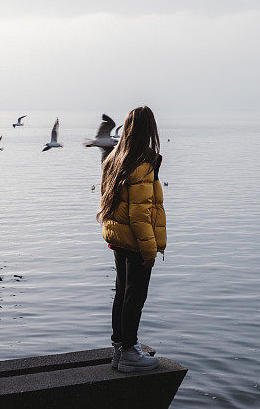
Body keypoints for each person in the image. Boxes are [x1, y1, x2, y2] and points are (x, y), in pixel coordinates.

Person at [98, 106, 166, 372]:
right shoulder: (142, 162)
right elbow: (141, 213)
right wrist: (149, 251)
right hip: (137, 240)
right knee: (135, 296)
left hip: (118, 238)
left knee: (122, 293)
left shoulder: (115, 159)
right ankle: (129, 352)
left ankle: (120, 349)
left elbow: (110, 203)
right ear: (149, 130)